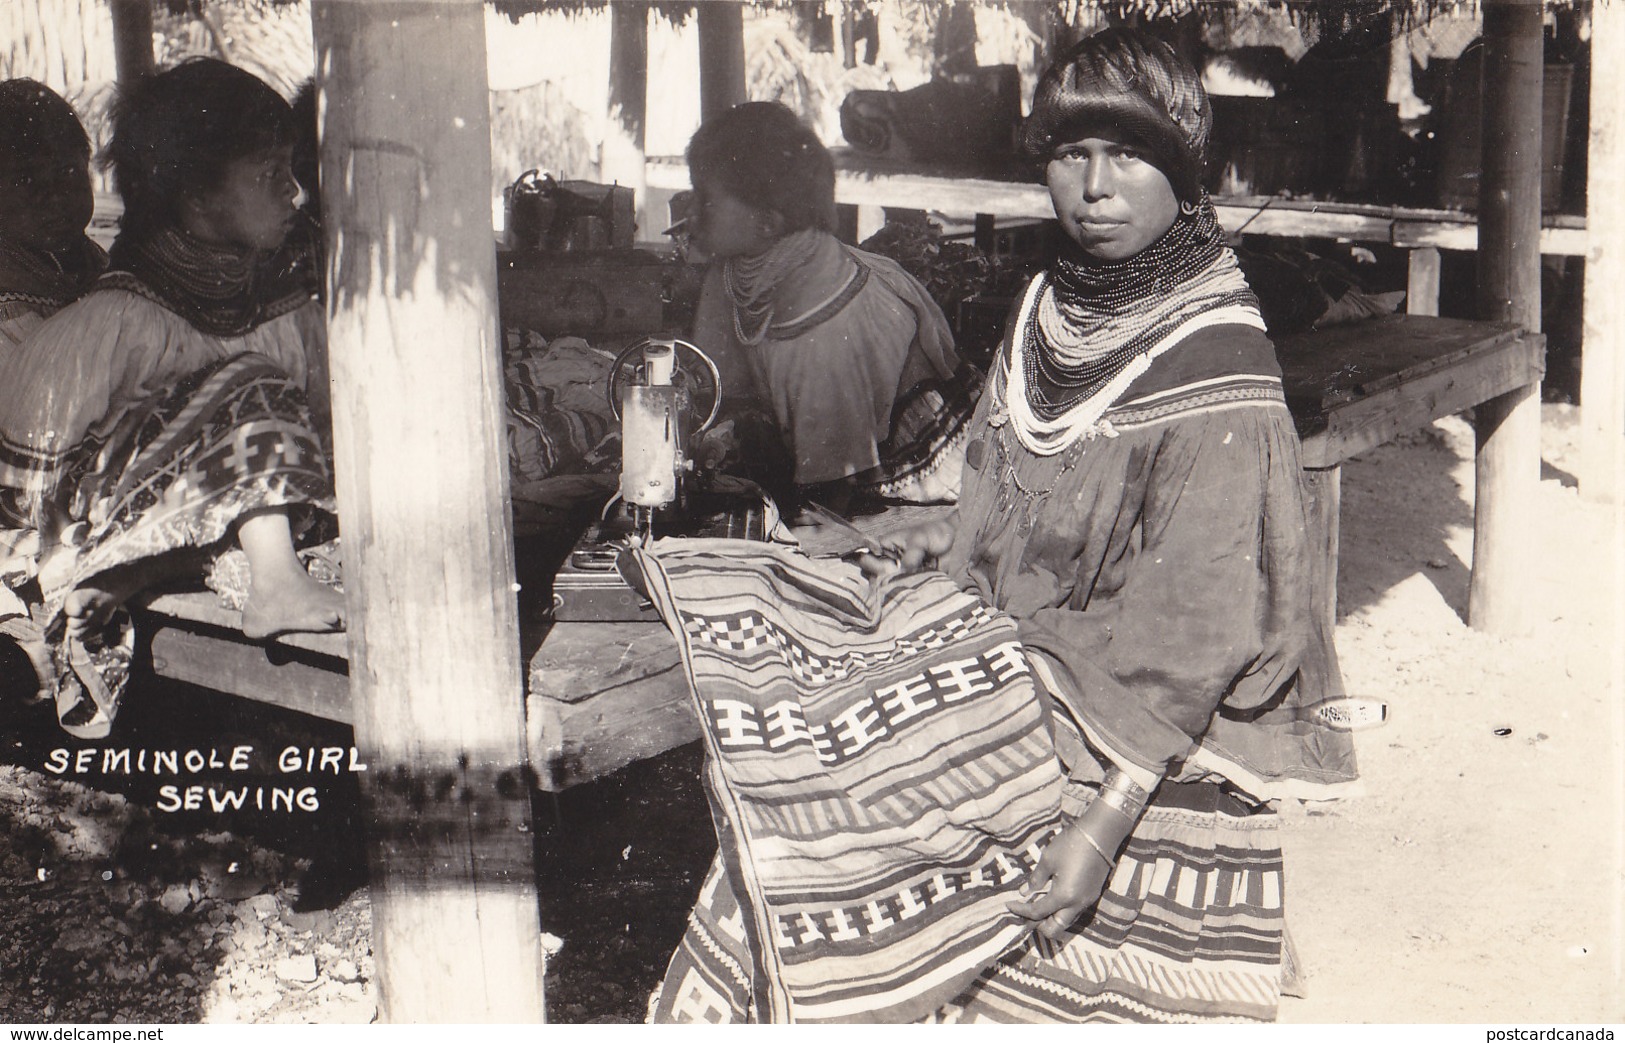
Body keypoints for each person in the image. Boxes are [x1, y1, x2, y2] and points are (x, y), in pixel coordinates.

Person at [638, 28, 1357, 1024]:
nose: (1094, 185)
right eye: (1070, 153)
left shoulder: (1215, 357)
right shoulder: (1045, 309)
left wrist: (1103, 821)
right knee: (783, 666)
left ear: (1183, 172)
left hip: (1137, 698)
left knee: (848, 778)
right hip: (1029, 645)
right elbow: (997, 496)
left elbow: (1199, 622)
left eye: (1127, 154)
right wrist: (895, 539)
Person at [0, 58, 344, 738]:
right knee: (251, 387)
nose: (296, 191)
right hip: (59, 521)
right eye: (269, 172)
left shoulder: (249, 294)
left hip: (153, 499)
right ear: (195, 200)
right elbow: (31, 491)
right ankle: (266, 579)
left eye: (70, 170)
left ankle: (146, 565)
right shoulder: (104, 324)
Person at [683, 101, 977, 510]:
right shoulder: (742, 271)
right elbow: (723, 390)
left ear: (767, 223)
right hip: (820, 470)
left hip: (905, 496)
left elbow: (833, 496)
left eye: (705, 199)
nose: (690, 210)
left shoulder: (824, 329)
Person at [0, 78, 105, 347]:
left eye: (67, 172)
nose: (55, 195)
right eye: (26, 180)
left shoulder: (95, 262)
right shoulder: (8, 305)